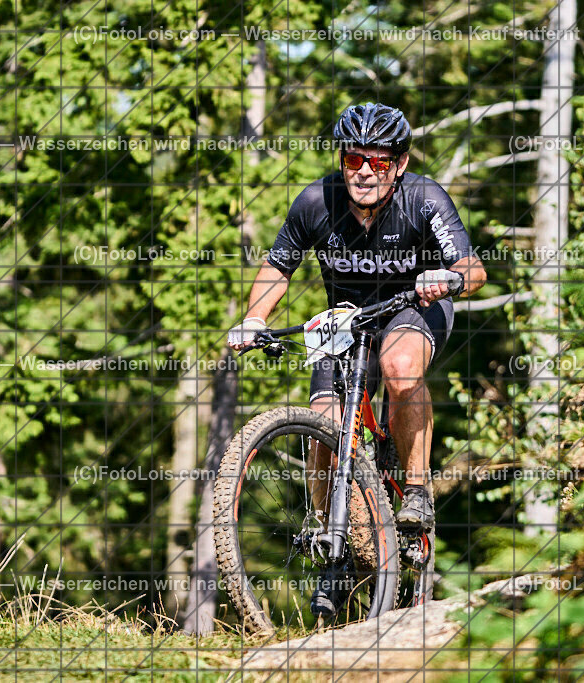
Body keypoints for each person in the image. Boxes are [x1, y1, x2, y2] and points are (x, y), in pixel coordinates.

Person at [228, 102, 486, 614]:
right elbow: (279, 267)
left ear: (401, 164)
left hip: (414, 310)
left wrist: (449, 279)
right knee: (324, 424)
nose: (365, 172)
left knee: (399, 366)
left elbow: (473, 268)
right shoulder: (315, 202)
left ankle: (415, 489)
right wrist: (253, 319)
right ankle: (332, 541)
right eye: (354, 160)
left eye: (379, 161)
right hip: (345, 320)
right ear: (341, 160)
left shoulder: (424, 198)